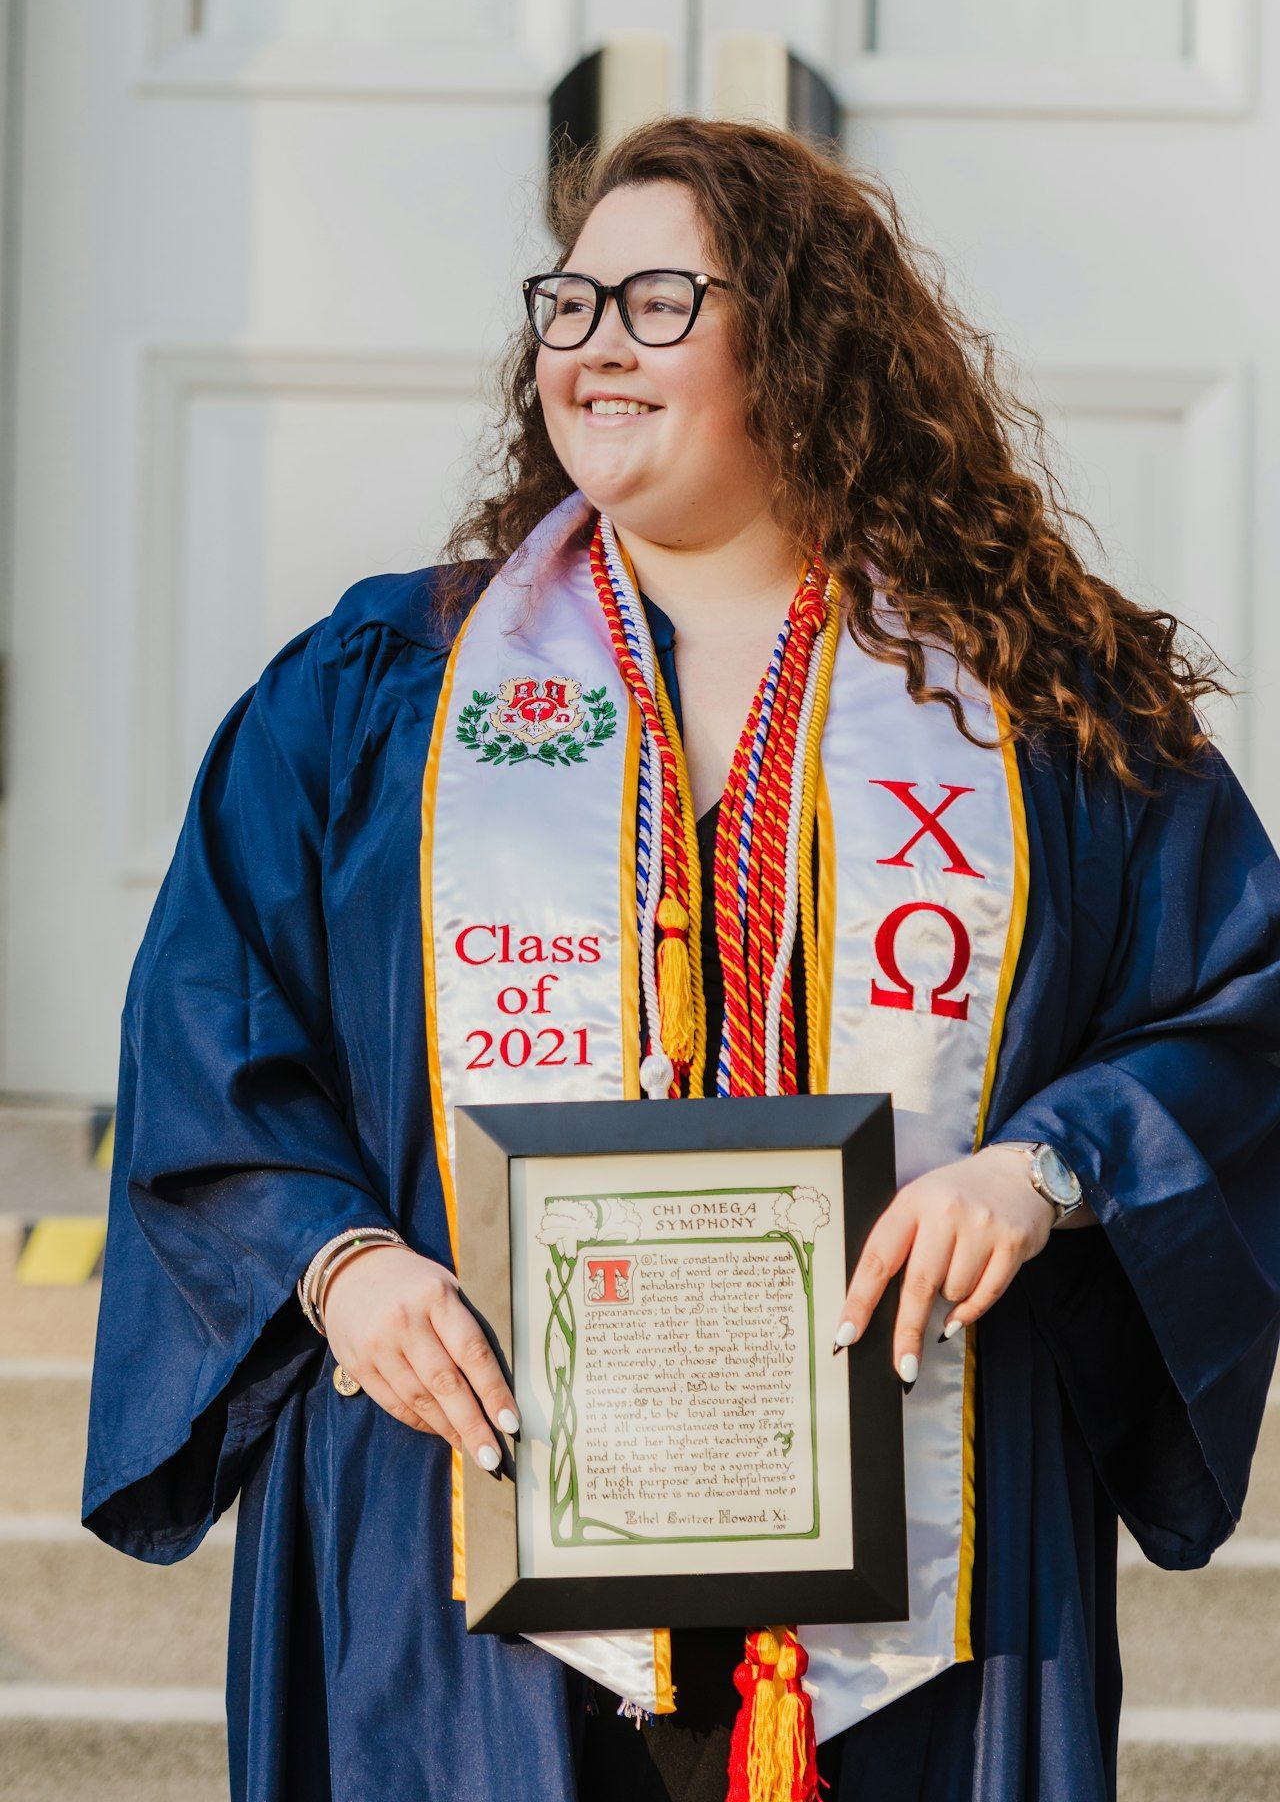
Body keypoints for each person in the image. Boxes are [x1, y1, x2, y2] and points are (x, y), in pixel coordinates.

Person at [82, 116, 1280, 1802]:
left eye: (656, 302)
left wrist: (1046, 1169)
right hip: (461, 1523)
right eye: (565, 307)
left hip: (921, 1537)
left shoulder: (1026, 711)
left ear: (801, 341)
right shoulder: (383, 692)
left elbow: (1242, 1012)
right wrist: (340, 1266)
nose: (590, 347)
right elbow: (208, 1030)